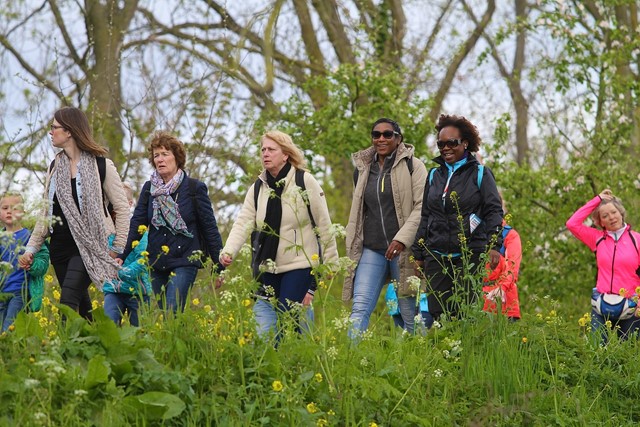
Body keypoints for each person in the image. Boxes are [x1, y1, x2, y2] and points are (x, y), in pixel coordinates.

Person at [219, 130, 338, 340]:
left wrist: (331, 263)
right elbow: (243, 223)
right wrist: (228, 251)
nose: (265, 154)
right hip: (268, 266)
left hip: (300, 264)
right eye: (263, 149)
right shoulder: (258, 187)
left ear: (285, 154)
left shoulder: (304, 181)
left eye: (271, 149)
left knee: (287, 316)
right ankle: (275, 366)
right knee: (267, 328)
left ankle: (300, 361)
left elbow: (324, 224)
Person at [19, 107, 130, 321]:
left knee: (68, 300)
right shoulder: (55, 166)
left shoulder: (101, 165)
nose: (51, 132)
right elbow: (46, 213)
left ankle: (60, 352)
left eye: (54, 127)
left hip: (90, 245)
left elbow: (122, 208)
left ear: (69, 131)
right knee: (80, 303)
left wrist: (117, 248)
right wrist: (31, 248)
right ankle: (90, 346)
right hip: (60, 246)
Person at [412, 114, 503, 323]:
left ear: (465, 143)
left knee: (465, 313)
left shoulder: (480, 173)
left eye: (451, 143)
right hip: (436, 255)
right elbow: (426, 215)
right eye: (441, 144)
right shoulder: (434, 175)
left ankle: (467, 354)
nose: (446, 148)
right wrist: (418, 253)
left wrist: (495, 245)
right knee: (438, 314)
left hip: (469, 254)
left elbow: (493, 211)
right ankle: (443, 354)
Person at [120, 131, 224, 314]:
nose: (160, 159)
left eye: (165, 154)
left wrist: (219, 266)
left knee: (172, 309)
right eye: (156, 155)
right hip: (157, 261)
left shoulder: (194, 188)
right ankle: (178, 341)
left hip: (185, 259)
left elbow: (209, 227)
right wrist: (122, 253)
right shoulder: (149, 189)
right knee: (166, 316)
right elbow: (137, 223)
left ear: (177, 157)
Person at [343, 118, 427, 336]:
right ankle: (349, 363)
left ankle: (422, 362)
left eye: (387, 134)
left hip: (404, 250)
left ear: (398, 139)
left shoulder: (414, 166)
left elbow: (422, 207)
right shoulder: (362, 170)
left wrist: (401, 239)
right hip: (373, 250)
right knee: (359, 309)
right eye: (376, 134)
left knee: (410, 313)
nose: (381, 139)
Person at [566, 189, 640, 343]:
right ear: (600, 222)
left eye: (614, 212)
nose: (611, 217)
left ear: (621, 213)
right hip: (601, 305)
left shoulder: (636, 239)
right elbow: (572, 223)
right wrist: (597, 199)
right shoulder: (597, 238)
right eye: (605, 216)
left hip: (630, 306)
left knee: (628, 356)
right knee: (595, 351)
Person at [103, 182, 151, 326]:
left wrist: (122, 272)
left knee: (139, 334)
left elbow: (143, 259)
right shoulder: (106, 231)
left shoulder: (139, 231)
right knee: (110, 328)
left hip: (137, 291)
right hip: (113, 290)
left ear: (129, 204)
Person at [482, 195, 522, 320]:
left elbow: (512, 268)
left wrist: (502, 288)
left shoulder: (510, 235)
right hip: (477, 305)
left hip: (504, 306)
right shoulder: (472, 233)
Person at [0, 192, 30, 331]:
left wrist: (31, 262)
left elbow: (41, 260)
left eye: (15, 208)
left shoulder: (29, 236)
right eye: (5, 208)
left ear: (23, 212)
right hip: (1, 292)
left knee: (9, 330)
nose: (9, 211)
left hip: (19, 292)